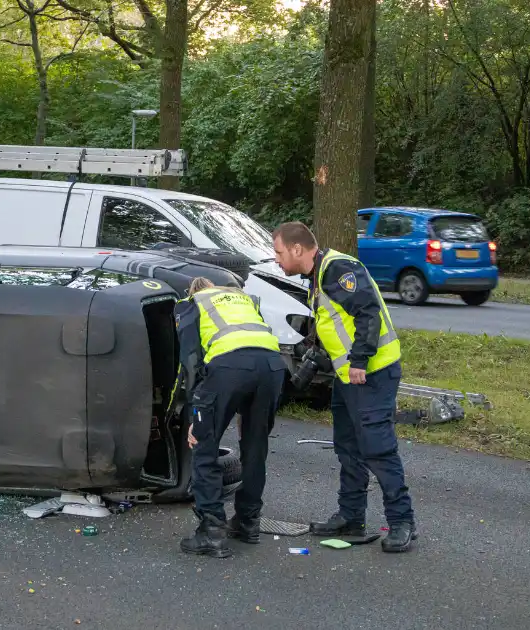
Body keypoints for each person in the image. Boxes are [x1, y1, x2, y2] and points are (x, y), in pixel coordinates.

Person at [272, 221, 417, 553]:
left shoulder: (338, 269)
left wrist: (359, 361)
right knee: (348, 448)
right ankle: (351, 516)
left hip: (371, 374)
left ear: (297, 249)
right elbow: (336, 322)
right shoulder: (318, 276)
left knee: (378, 449)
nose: (276, 259)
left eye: (279, 252)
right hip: (349, 378)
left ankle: (402, 522)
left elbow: (368, 313)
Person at [174, 276, 287, 558]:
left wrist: (194, 416)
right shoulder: (243, 299)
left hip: (229, 367)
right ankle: (248, 522)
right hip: (272, 367)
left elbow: (190, 360)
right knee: (255, 446)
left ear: (192, 291)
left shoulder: (192, 304)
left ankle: (211, 531)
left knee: (204, 447)